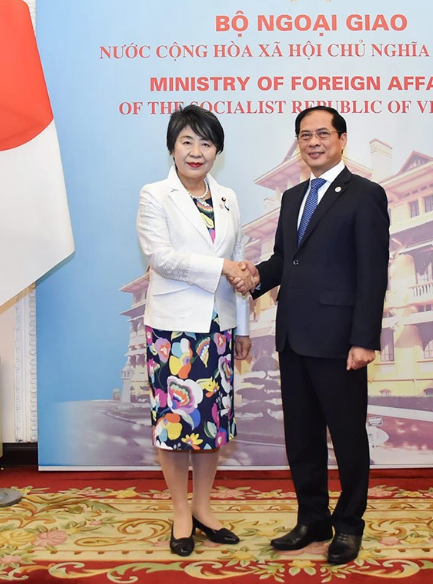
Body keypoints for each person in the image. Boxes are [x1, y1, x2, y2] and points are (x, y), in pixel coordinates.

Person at [247, 106, 390, 565]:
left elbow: (373, 271)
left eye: (322, 134)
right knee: (301, 437)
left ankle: (349, 524)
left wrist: (364, 338)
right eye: (305, 135)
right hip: (293, 337)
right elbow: (284, 262)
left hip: (340, 341)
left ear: (342, 139)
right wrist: (250, 277)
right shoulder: (291, 198)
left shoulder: (365, 194)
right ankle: (312, 519)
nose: (313, 142)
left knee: (348, 437)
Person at [136, 105, 255, 557]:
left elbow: (240, 260)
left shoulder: (227, 198)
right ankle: (181, 512)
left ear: (217, 151)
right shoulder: (154, 195)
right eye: (187, 141)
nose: (196, 151)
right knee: (175, 425)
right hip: (172, 332)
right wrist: (221, 266)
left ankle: (204, 509)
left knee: (210, 425)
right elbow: (161, 257)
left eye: (206, 143)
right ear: (172, 146)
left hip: (218, 328)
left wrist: (241, 326)